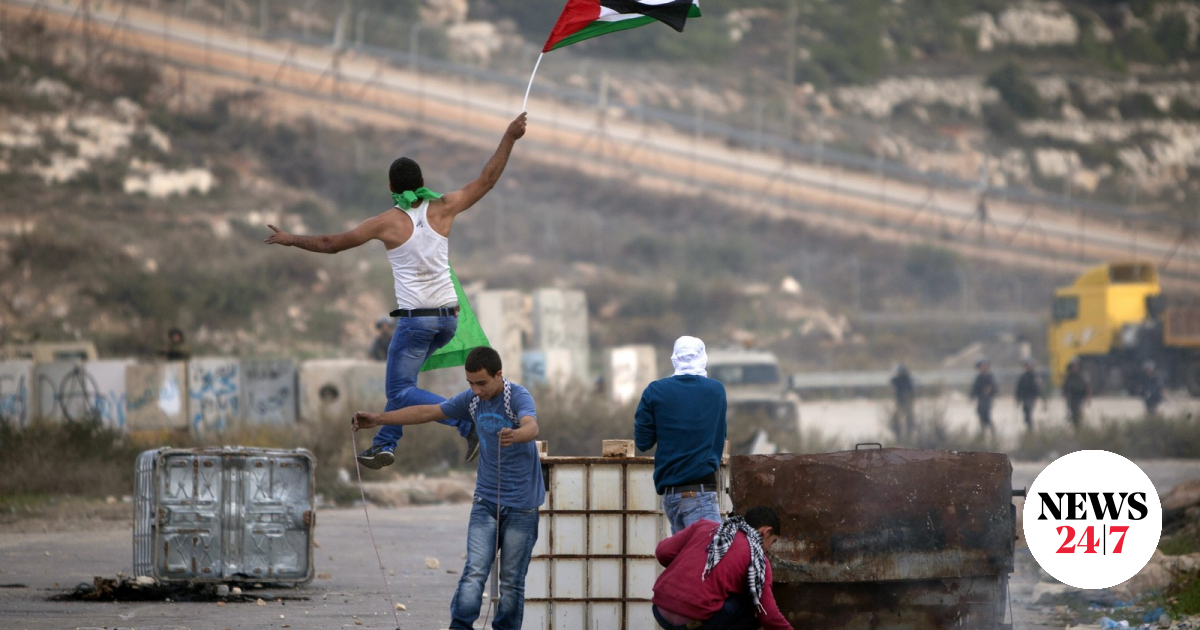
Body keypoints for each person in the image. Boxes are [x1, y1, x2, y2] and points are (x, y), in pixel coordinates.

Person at [267, 113, 528, 468]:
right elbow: (488, 178)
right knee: (403, 386)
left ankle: (464, 420)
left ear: (391, 189)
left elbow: (331, 244)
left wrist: (291, 239)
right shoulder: (444, 207)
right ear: (422, 181)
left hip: (416, 321)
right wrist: (510, 136)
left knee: (398, 391)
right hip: (448, 319)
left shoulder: (385, 223)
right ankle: (385, 445)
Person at [352, 346, 541, 630]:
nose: (476, 390)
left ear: (499, 375)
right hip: (486, 501)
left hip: (522, 506)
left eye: (482, 383)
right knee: (474, 571)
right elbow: (428, 411)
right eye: (471, 384)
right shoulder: (472, 401)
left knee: (512, 580)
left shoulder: (517, 396)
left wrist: (516, 435)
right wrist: (379, 419)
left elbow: (532, 426)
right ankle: (460, 626)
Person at [634, 336, 727, 534]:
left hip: (670, 496)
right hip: (701, 493)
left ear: (675, 358)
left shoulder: (654, 391)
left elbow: (642, 443)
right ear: (703, 358)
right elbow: (720, 434)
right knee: (710, 561)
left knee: (685, 561)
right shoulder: (716, 391)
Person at [651, 506, 793, 630]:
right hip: (694, 622)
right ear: (765, 532)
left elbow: (662, 552)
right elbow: (769, 616)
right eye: (772, 542)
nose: (768, 549)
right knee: (754, 608)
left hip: (660, 611)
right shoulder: (757, 557)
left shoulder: (703, 526)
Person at [969, 358, 997, 437]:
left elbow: (994, 389)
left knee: (986, 415)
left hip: (987, 400)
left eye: (983, 366)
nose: (981, 368)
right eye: (980, 366)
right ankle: (983, 432)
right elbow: (975, 388)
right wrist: (972, 397)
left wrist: (990, 390)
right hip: (980, 399)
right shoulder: (978, 378)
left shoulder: (990, 377)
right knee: (980, 414)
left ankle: (992, 431)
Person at [1014, 360, 1043, 432]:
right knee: (1025, 411)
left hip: (1032, 397)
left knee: (1028, 410)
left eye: (1030, 366)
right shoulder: (1023, 377)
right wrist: (1018, 399)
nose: (1029, 367)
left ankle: (1030, 427)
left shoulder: (1035, 376)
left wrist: (1043, 399)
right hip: (1025, 397)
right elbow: (1019, 388)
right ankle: (1028, 425)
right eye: (1027, 366)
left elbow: (1039, 388)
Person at [1062, 359, 1091, 429]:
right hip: (1071, 397)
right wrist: (1064, 395)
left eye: (1076, 367)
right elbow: (1065, 388)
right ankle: (1075, 425)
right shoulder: (1069, 377)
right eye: (1073, 367)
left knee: (1077, 411)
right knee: (1072, 411)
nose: (1074, 369)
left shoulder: (1082, 377)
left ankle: (1078, 426)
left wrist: (1088, 398)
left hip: (1080, 397)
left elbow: (1087, 387)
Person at [890, 363, 915, 438]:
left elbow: (911, 390)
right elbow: (892, 381)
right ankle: (898, 433)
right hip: (899, 401)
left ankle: (909, 432)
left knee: (908, 417)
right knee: (897, 418)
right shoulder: (897, 380)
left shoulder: (907, 380)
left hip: (907, 401)